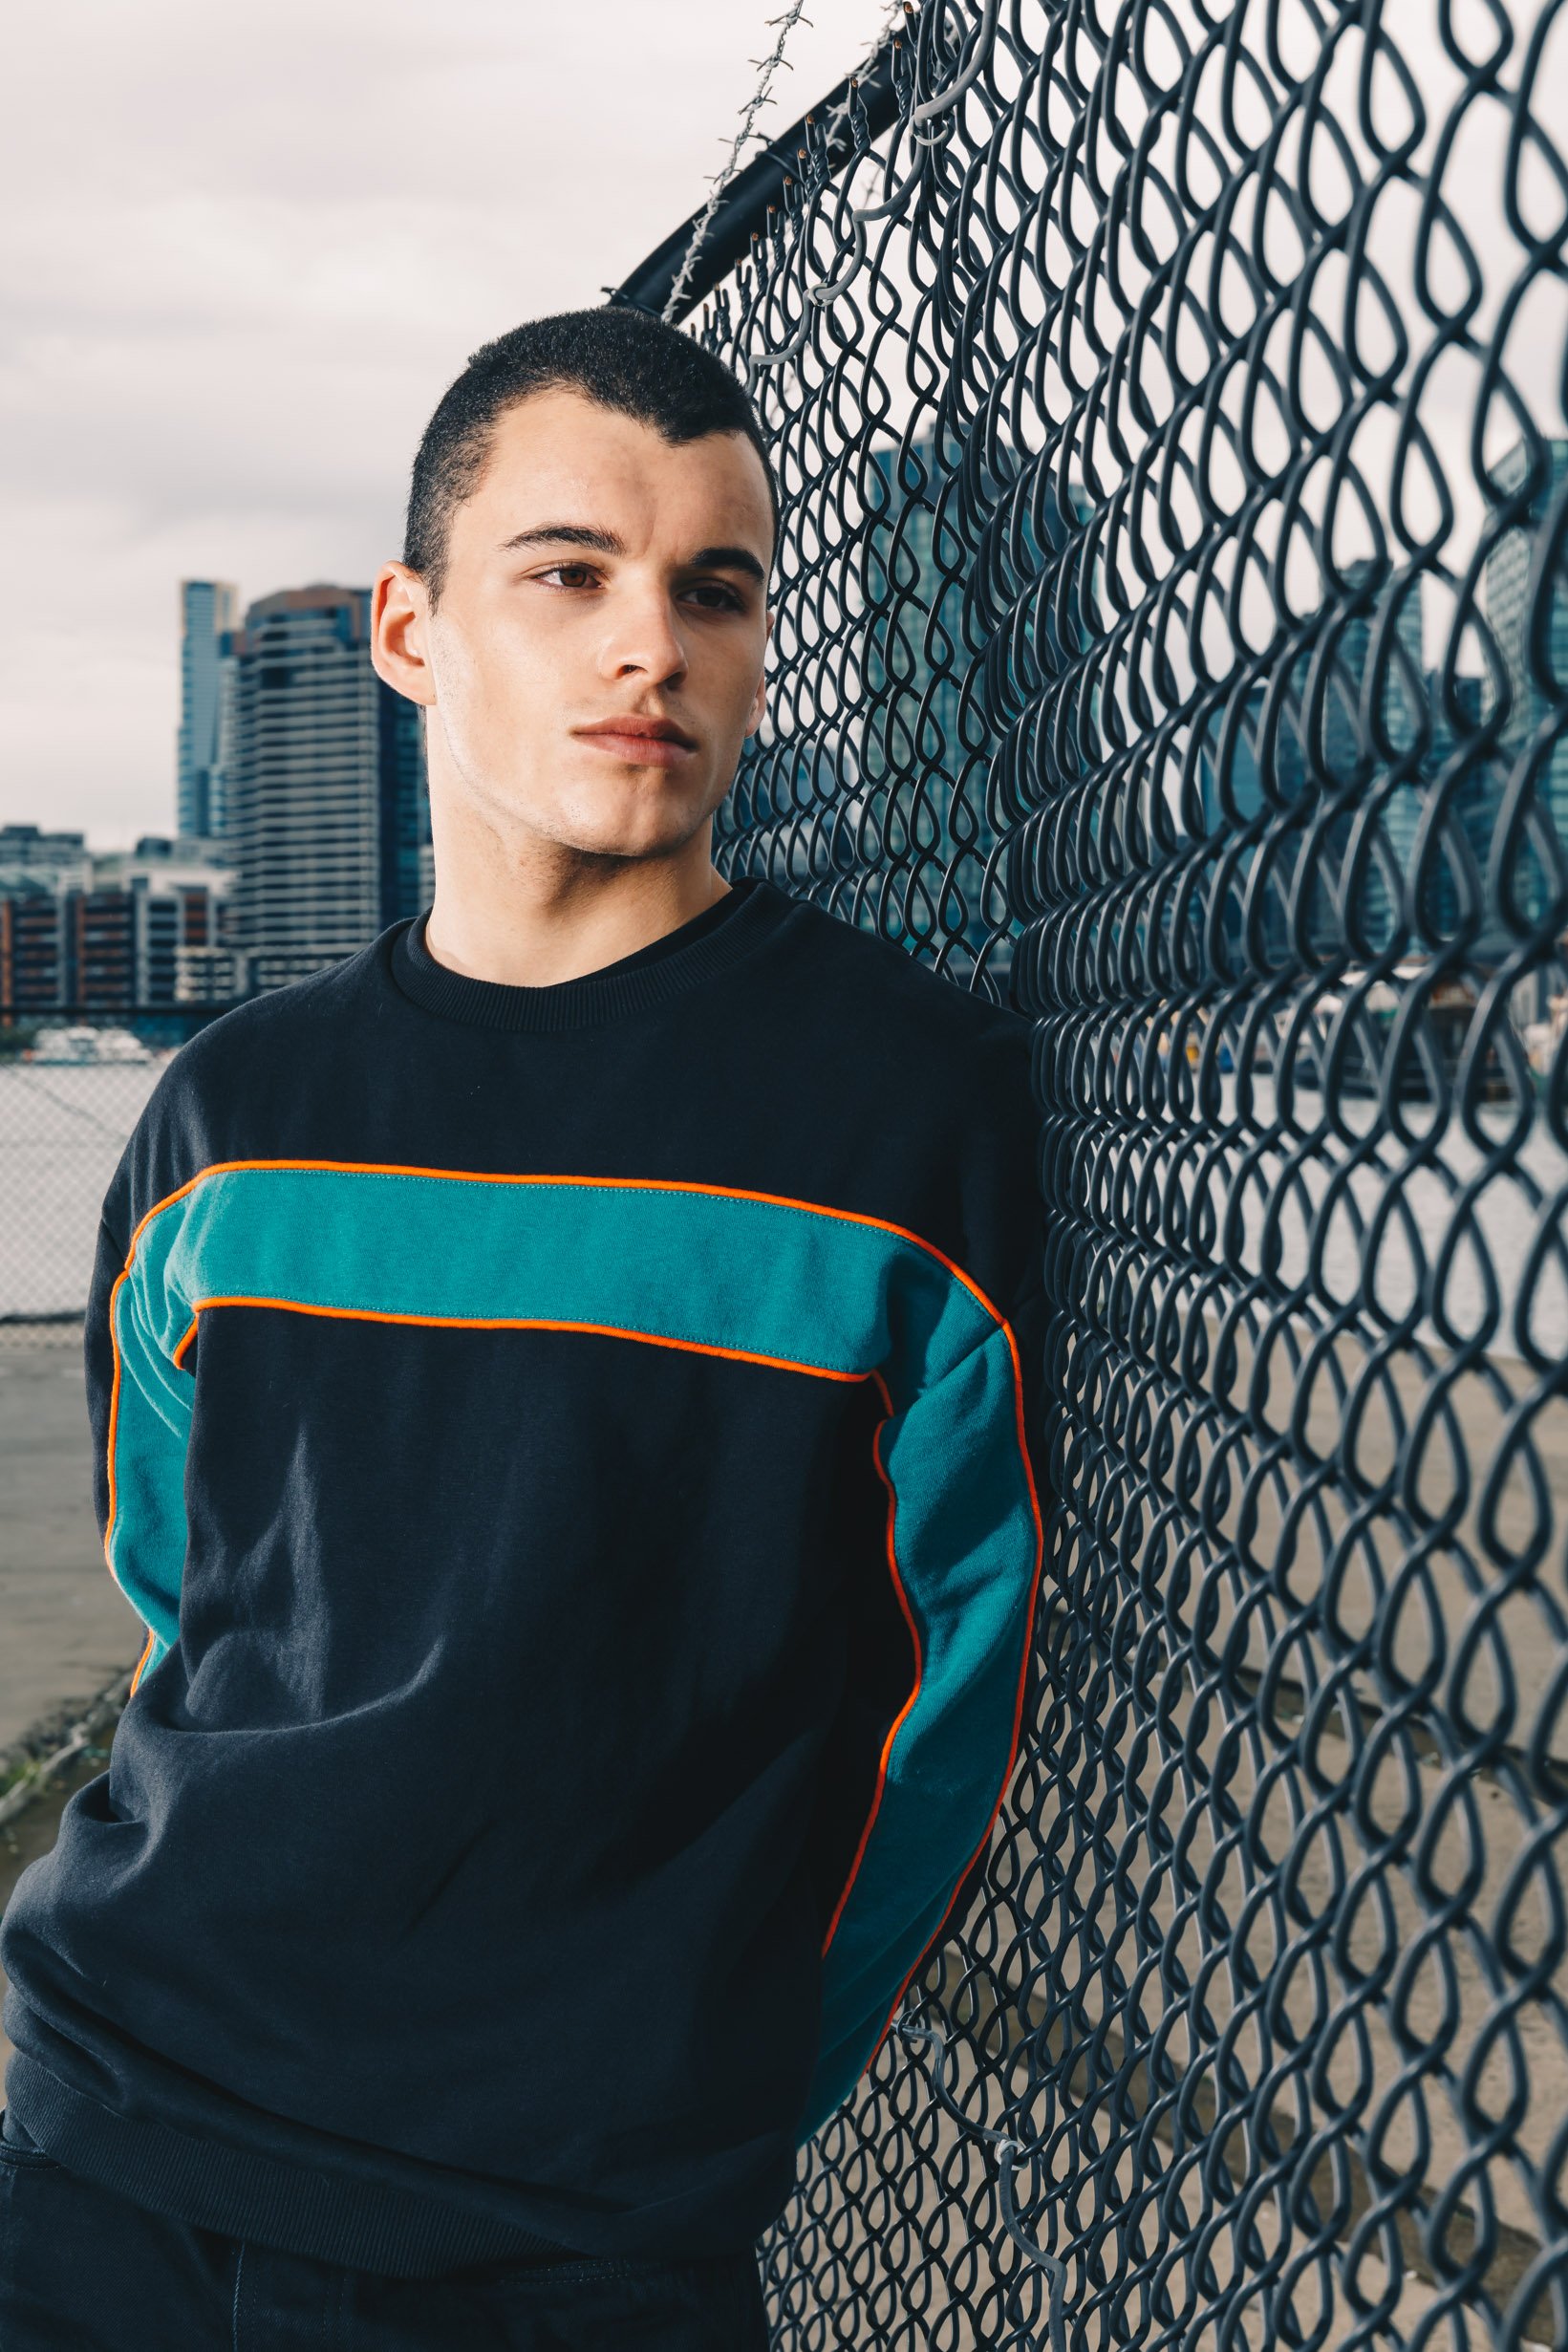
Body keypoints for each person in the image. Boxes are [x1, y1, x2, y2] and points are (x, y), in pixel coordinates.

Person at [0, 307, 1046, 2349]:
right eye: (566, 574)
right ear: (411, 630)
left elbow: (952, 1707)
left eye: (711, 589)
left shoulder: (903, 1107)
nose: (646, 641)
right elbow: (189, 1595)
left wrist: (686, 2100)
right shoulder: (236, 1108)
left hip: (567, 2237)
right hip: (108, 2143)